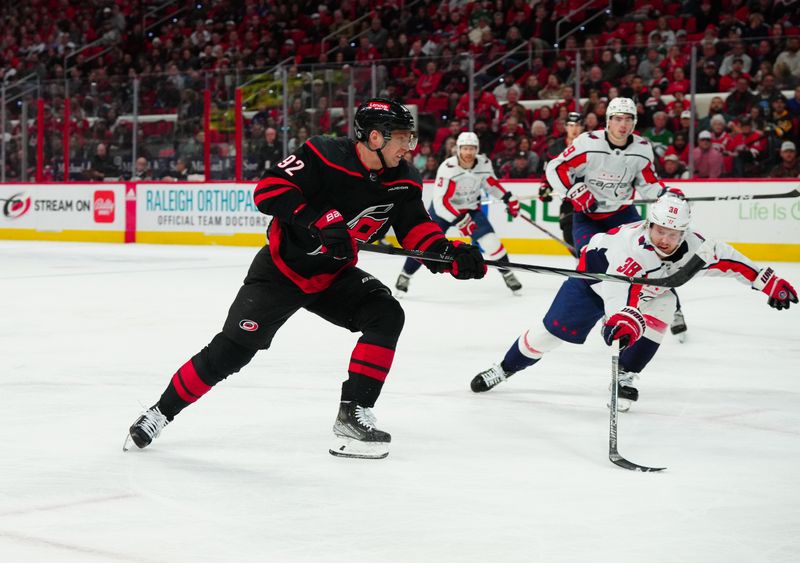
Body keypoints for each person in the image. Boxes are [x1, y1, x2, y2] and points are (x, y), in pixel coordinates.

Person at [123, 99, 487, 460]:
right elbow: (268, 189)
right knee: (230, 353)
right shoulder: (323, 153)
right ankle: (159, 412)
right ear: (375, 137)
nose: (410, 146)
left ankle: (352, 415)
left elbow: (415, 230)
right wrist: (319, 220)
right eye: (403, 138)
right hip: (281, 272)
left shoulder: (403, 179)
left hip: (333, 276)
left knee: (386, 313)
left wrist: (448, 254)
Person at [469, 194, 797, 411]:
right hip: (594, 283)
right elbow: (621, 294)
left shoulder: (697, 246)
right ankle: (504, 368)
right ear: (648, 224)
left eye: (673, 233)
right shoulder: (627, 248)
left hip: (648, 290)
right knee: (547, 336)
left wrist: (768, 282)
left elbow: (731, 261)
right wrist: (622, 321)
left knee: (665, 304)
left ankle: (625, 374)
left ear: (685, 232)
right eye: (660, 231)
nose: (665, 239)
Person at [540, 97, 688, 339]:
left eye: (629, 119)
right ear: (608, 121)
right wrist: (573, 190)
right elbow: (556, 168)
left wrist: (664, 193)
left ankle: (674, 307)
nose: (623, 124)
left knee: (651, 259)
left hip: (623, 214)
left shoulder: (641, 148)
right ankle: (613, 313)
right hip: (588, 217)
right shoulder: (588, 143)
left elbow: (648, 184)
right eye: (618, 119)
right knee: (596, 265)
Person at [394, 131, 522, 297]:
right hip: (443, 212)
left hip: (470, 209)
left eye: (472, 148)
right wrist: (461, 220)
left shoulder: (484, 163)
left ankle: (507, 273)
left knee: (491, 242)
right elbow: (441, 202)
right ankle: (406, 274)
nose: (468, 152)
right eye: (465, 148)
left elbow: (491, 184)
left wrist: (507, 197)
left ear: (477, 149)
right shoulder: (448, 168)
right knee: (426, 246)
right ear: (458, 149)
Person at [540, 111, 583, 254]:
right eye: (571, 125)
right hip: (568, 200)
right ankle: (582, 263)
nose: (574, 129)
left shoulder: (590, 145)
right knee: (568, 235)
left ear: (582, 127)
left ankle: (587, 264)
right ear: (565, 127)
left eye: (577, 125)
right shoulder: (555, 149)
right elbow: (547, 173)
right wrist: (544, 187)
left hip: (589, 197)